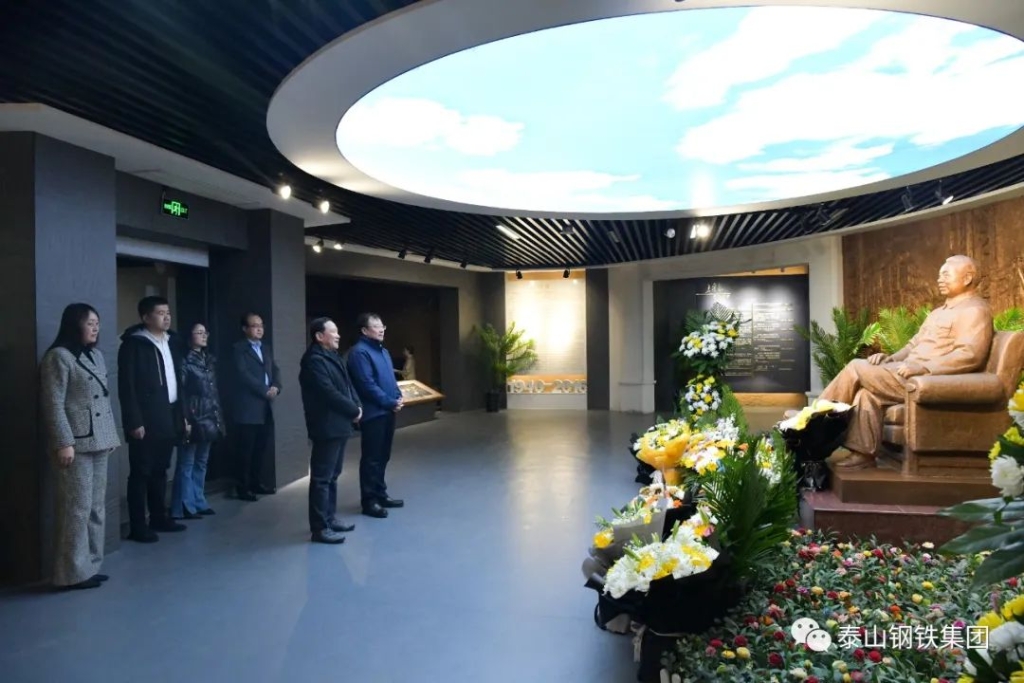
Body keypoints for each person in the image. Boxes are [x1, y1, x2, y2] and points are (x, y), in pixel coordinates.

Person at [821, 255, 994, 469]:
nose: (939, 279)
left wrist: (924, 367)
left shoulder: (974, 310)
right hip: (904, 372)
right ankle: (863, 454)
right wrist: (891, 358)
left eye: (946, 274)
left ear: (967, 278)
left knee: (856, 366)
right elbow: (913, 344)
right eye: (939, 274)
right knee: (866, 394)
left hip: (926, 379)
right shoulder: (938, 312)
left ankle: (812, 420)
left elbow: (970, 354)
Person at [39, 303, 122, 589]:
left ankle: (90, 566)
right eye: (89, 323)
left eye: (97, 322)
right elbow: (53, 404)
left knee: (96, 507)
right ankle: (70, 574)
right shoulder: (58, 357)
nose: (96, 328)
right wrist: (64, 442)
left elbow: (103, 401)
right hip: (75, 444)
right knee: (76, 508)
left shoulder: (95, 355)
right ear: (74, 325)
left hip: (99, 441)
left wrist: (109, 436)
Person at [118, 296, 188, 542]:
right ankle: (138, 526)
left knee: (161, 469)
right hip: (146, 417)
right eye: (160, 313)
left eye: (168, 312)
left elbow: (179, 381)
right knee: (141, 471)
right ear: (146, 317)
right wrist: (133, 421)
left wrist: (183, 415)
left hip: (170, 413)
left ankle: (159, 517)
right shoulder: (134, 344)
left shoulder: (173, 341)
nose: (166, 317)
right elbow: (127, 387)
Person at [299, 317, 363, 544]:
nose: (338, 335)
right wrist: (353, 409)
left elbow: (347, 386)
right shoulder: (313, 361)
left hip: (339, 424)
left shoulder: (333, 356)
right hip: (326, 426)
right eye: (333, 331)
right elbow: (328, 392)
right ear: (319, 336)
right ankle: (319, 528)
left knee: (333, 475)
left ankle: (329, 518)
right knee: (322, 478)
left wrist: (357, 405)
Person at [347, 313, 405, 518]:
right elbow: (367, 385)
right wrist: (390, 402)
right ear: (364, 330)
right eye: (376, 326)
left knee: (383, 456)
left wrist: (397, 396)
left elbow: (390, 379)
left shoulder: (383, 351)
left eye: (382, 326)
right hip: (373, 413)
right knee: (371, 458)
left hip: (387, 411)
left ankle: (380, 494)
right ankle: (369, 501)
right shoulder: (359, 353)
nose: (381, 330)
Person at [170, 323, 223, 519]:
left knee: (201, 461)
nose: (203, 335)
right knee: (187, 462)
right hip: (193, 415)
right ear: (189, 336)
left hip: (210, 414)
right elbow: (181, 391)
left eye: (205, 332)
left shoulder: (209, 359)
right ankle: (184, 505)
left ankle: (199, 501)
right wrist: (185, 417)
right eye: (199, 332)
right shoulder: (184, 360)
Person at [231, 312, 281, 500]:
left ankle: (256, 483)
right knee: (246, 451)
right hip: (248, 407)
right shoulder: (238, 349)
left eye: (261, 325)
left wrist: (276, 386)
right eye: (254, 326)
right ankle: (242, 488)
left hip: (265, 407)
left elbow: (274, 369)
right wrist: (264, 390)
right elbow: (242, 374)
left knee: (261, 448)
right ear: (245, 329)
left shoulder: (265, 348)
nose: (259, 329)